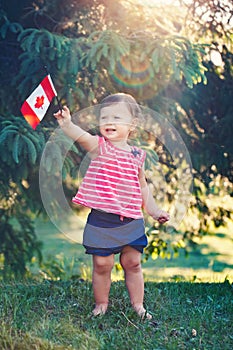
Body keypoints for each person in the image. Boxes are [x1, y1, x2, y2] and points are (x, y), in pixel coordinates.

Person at [54, 93, 169, 319]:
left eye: (117, 117)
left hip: (131, 219)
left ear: (132, 125)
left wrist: (154, 211)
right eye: (104, 117)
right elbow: (82, 136)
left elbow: (142, 187)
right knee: (102, 264)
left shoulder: (138, 155)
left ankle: (138, 306)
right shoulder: (100, 147)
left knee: (132, 262)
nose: (109, 122)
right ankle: (101, 304)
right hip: (102, 219)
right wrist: (68, 125)